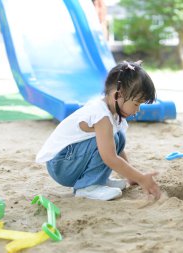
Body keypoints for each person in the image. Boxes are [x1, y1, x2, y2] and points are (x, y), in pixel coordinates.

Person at [36, 61, 161, 201]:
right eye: (136, 104)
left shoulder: (111, 113)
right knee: (109, 142)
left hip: (70, 161)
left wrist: (130, 176)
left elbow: (117, 150)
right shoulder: (101, 116)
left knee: (118, 138)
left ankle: (97, 179)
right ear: (117, 96)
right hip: (61, 165)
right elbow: (110, 157)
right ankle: (88, 186)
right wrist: (141, 178)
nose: (137, 110)